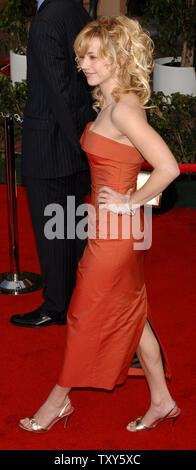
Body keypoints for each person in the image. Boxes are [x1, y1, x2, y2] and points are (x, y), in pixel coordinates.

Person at [19, 16, 181, 433]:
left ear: (119, 58)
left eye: (93, 56)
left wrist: (130, 203)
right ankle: (161, 400)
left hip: (116, 233)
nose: (83, 64)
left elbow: (168, 168)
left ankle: (58, 402)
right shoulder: (109, 102)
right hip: (107, 227)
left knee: (83, 315)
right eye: (81, 57)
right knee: (133, 311)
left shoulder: (124, 111)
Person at [10, 0, 95, 328]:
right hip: (74, 142)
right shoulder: (75, 9)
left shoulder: (47, 20)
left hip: (52, 146)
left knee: (53, 232)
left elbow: (60, 93)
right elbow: (80, 89)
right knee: (71, 228)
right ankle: (76, 300)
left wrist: (78, 145)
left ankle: (56, 307)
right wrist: (85, 144)